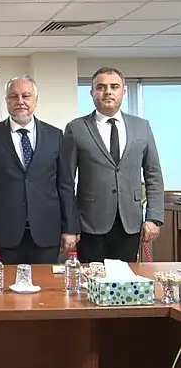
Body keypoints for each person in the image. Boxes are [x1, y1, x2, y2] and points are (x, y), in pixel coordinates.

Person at [0, 75, 79, 265]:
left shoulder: (55, 135)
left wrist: (70, 227)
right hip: (4, 232)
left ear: (35, 100)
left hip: (47, 231)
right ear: (6, 100)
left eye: (26, 96)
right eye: (13, 96)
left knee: (45, 283)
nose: (20, 101)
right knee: (6, 283)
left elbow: (65, 185)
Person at [63, 67, 164, 263]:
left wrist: (154, 217)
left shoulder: (142, 126)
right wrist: (69, 225)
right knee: (91, 279)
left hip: (130, 223)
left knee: (126, 279)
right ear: (92, 92)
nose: (108, 92)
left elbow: (153, 174)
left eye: (114, 87)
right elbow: (66, 181)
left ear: (123, 91)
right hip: (89, 223)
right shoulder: (76, 128)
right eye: (101, 87)